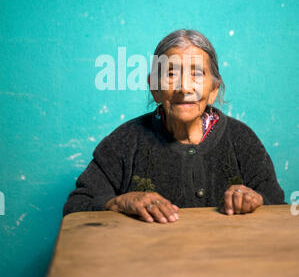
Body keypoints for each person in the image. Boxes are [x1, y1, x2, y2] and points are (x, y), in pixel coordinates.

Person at [63, 29, 285, 223]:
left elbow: (276, 204)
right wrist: (120, 202)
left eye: (197, 74)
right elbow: (77, 206)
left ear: (214, 90)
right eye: (170, 74)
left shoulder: (241, 139)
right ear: (154, 88)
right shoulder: (125, 142)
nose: (184, 87)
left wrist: (256, 200)